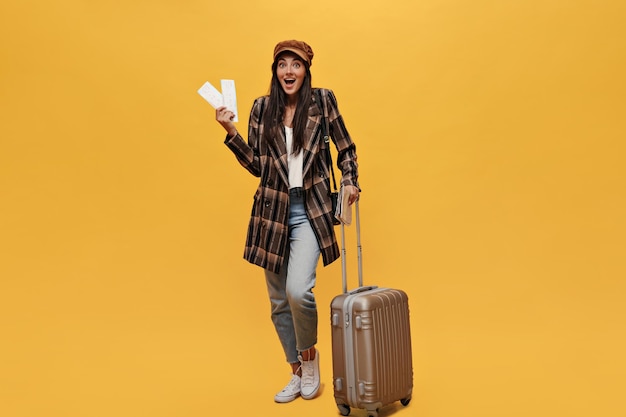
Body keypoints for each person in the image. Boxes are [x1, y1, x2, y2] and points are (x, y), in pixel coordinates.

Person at [215, 39, 360, 403]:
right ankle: (296, 372)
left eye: (296, 64)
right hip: (273, 211)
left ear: (306, 70)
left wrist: (350, 181)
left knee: (298, 292)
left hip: (311, 209)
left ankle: (309, 358)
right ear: (275, 71)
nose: (289, 71)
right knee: (279, 301)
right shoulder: (262, 108)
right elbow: (258, 167)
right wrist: (231, 133)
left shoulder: (323, 101)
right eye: (282, 65)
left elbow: (346, 148)